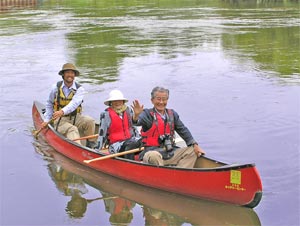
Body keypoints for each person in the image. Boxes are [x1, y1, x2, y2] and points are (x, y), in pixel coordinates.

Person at [132, 86, 205, 168]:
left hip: (170, 152)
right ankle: (163, 175)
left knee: (192, 150)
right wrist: (136, 116)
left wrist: (194, 144)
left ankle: (180, 173)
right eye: (158, 99)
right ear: (152, 100)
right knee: (153, 155)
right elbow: (137, 122)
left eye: (164, 99)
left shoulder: (172, 114)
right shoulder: (147, 114)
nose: (161, 102)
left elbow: (183, 130)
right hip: (152, 152)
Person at [42, 63, 96, 148]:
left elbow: (74, 104)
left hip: (75, 117)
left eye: (72, 73)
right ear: (63, 74)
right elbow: (49, 103)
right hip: (60, 120)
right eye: (67, 72)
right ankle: (78, 150)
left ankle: (91, 145)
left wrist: (62, 111)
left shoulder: (80, 89)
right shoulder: (55, 88)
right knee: (72, 129)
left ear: (74, 75)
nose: (70, 75)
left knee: (90, 121)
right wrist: (46, 120)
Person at [95, 89, 142, 159]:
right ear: (111, 102)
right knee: (130, 146)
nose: (117, 103)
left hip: (131, 140)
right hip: (116, 145)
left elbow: (134, 126)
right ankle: (129, 166)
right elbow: (102, 133)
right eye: (115, 101)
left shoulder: (128, 110)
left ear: (123, 101)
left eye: (119, 100)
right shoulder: (106, 114)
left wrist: (136, 115)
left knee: (146, 141)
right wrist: (97, 150)